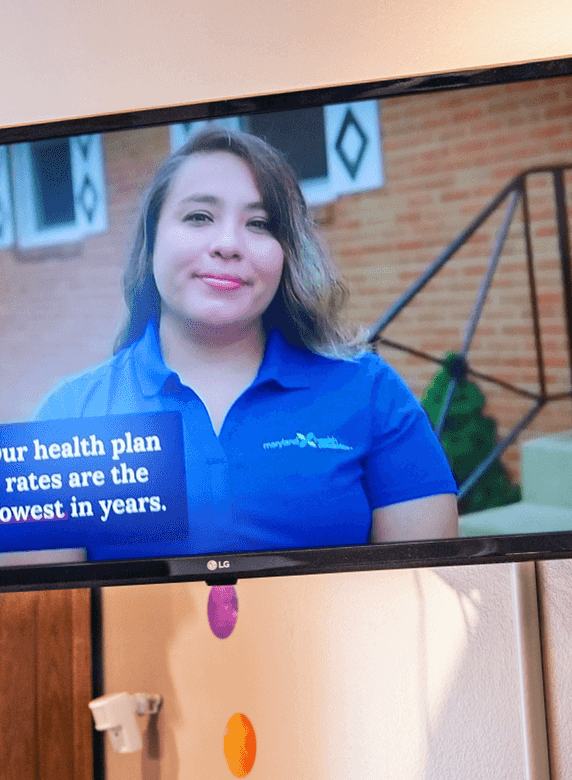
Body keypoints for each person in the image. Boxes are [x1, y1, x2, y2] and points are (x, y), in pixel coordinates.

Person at [34, 126, 457, 559]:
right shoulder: (66, 416)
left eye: (259, 223)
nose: (229, 245)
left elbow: (426, 591)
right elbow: (41, 619)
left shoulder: (370, 391)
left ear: (287, 253)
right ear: (152, 239)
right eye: (199, 216)